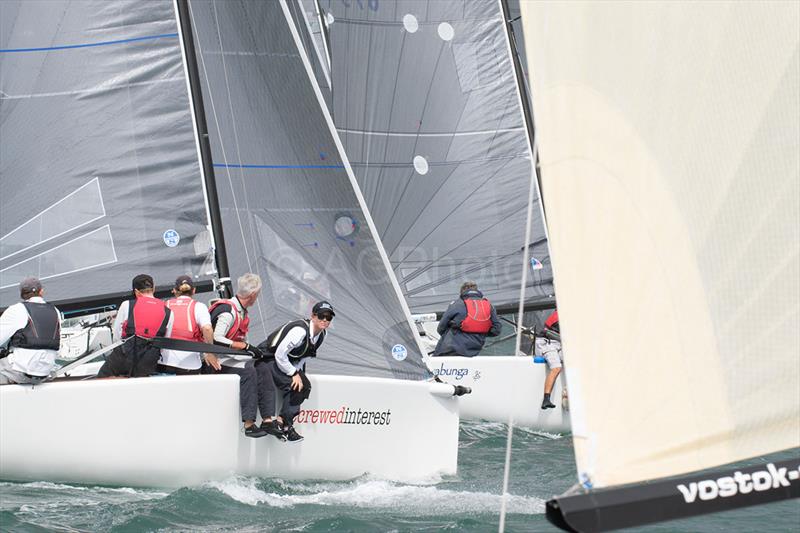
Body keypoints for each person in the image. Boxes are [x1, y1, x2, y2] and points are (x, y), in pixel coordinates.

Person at [257, 300, 334, 443]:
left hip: (284, 361)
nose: (325, 320)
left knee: (304, 386)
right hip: (267, 358)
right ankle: (280, 424)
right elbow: (280, 354)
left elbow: (305, 355)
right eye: (322, 316)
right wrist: (293, 374)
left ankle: (283, 423)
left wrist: (297, 373)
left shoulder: (323, 334)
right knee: (296, 384)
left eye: (329, 317)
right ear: (313, 316)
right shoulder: (300, 331)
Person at [206, 273, 270, 438]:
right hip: (213, 360)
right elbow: (216, 338)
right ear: (253, 295)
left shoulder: (242, 311)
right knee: (249, 371)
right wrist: (244, 346)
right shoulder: (229, 312)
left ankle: (269, 420)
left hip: (229, 357)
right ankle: (249, 424)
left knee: (263, 367)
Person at [96, 274, 173, 378]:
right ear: (154, 288)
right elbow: (165, 343)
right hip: (148, 361)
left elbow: (117, 336)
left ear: (136, 292)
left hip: (124, 355)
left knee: (102, 377)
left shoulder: (127, 305)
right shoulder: (168, 312)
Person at [0, 277, 61, 384]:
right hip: (44, 373)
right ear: (41, 291)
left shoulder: (16, 310)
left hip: (18, 373)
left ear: (22, 294)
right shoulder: (55, 311)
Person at [158, 275, 214, 375]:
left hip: (165, 362)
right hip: (190, 364)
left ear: (174, 290)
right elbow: (207, 328)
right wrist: (209, 352)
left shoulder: (164, 305)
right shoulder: (199, 306)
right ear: (194, 291)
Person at [433, 281, 501, 357]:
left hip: (451, 349)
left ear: (462, 292)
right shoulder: (489, 306)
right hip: (475, 350)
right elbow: (496, 330)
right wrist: (480, 330)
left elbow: (441, 328)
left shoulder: (457, 304)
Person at [538, 310, 562, 409]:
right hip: (547, 343)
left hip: (559, 344)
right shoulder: (559, 316)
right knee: (556, 367)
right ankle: (546, 399)